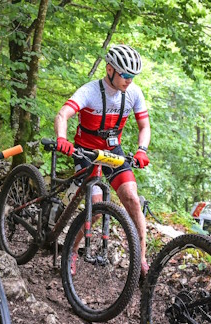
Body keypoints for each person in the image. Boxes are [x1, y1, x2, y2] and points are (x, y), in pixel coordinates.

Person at [54, 44, 151, 278]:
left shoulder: (134, 93)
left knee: (132, 199)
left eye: (133, 76)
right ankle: (71, 252)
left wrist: (142, 150)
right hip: (85, 151)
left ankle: (142, 260)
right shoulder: (90, 91)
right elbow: (62, 114)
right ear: (109, 69)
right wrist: (62, 138)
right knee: (95, 208)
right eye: (125, 75)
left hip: (112, 150)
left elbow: (144, 125)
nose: (129, 80)